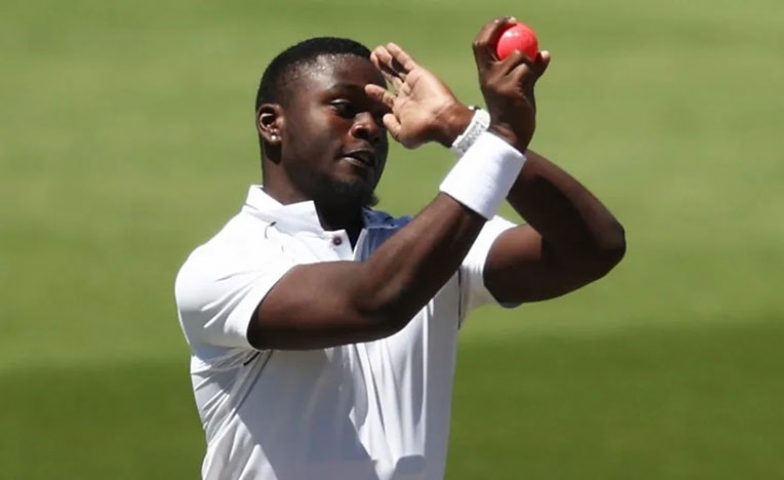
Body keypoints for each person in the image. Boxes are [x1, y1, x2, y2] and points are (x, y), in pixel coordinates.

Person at [175, 17, 625, 480]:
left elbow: (592, 247)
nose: (369, 127)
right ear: (273, 124)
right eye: (344, 108)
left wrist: (462, 127)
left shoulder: (426, 247)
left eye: (378, 114)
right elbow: (374, 302)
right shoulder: (223, 266)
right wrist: (501, 140)